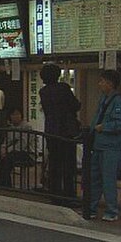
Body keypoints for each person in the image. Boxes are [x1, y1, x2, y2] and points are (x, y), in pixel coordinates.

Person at [88, 69, 121, 221]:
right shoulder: (104, 100)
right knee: (95, 178)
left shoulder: (117, 102)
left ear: (110, 83)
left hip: (111, 147)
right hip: (99, 145)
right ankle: (91, 208)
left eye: (102, 81)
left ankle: (112, 211)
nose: (100, 84)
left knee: (108, 180)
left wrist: (104, 127)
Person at [39, 63, 81, 197]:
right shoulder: (63, 88)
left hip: (51, 131)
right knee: (68, 165)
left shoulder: (43, 92)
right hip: (66, 132)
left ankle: (55, 192)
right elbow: (76, 105)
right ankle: (69, 193)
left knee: (55, 164)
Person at [0, 107, 33, 188]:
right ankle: (4, 180)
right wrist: (3, 148)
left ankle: (5, 182)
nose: (15, 116)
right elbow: (6, 142)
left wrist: (8, 151)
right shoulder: (10, 127)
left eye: (18, 114)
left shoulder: (26, 127)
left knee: (8, 158)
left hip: (27, 153)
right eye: (13, 114)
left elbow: (23, 143)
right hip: (12, 152)